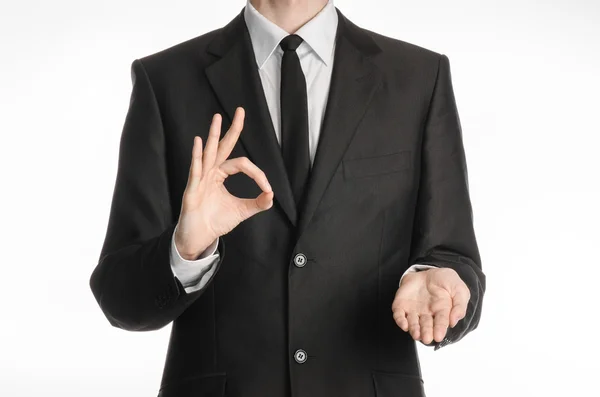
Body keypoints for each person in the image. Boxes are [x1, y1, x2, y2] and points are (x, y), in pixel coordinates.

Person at [89, 0, 486, 396]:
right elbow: (120, 299)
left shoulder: (418, 77)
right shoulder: (165, 80)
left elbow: (454, 256)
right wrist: (186, 251)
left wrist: (443, 285)